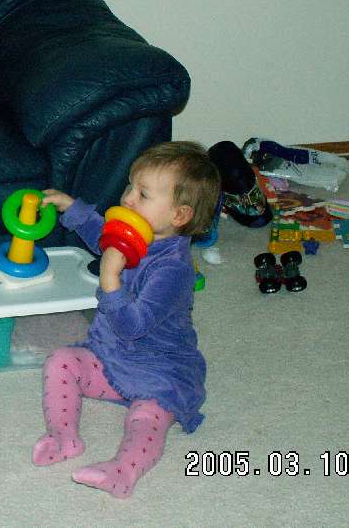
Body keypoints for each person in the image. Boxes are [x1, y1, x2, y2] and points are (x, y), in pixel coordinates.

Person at [32, 141, 221, 498]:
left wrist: (110, 279)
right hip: (108, 358)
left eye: (143, 194)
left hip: (159, 372)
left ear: (179, 216)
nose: (128, 198)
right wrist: (72, 208)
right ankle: (63, 436)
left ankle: (123, 472)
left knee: (147, 418)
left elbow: (132, 326)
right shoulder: (135, 234)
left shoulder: (174, 269)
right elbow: (102, 235)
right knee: (60, 361)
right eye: (130, 187)